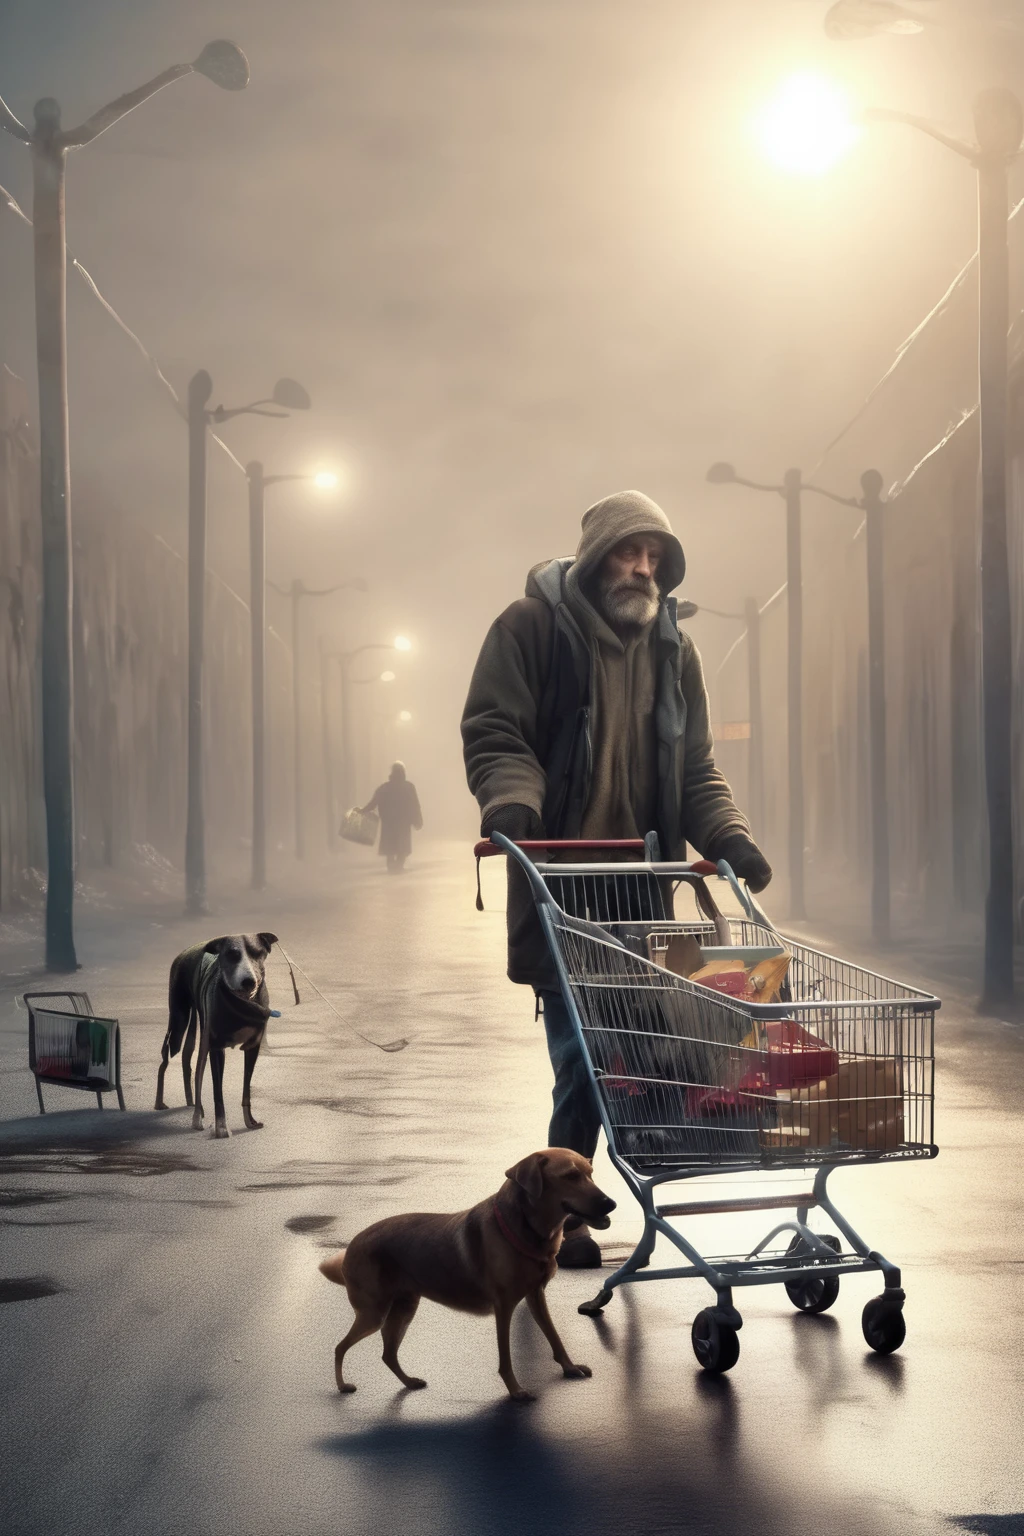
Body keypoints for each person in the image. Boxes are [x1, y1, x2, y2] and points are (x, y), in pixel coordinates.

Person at [461, 490, 771, 1267]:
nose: (643, 569)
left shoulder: (675, 652)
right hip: (557, 886)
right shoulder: (529, 629)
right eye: (630, 554)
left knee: (642, 1053)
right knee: (584, 1060)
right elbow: (496, 729)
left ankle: (640, 1196)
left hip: (641, 889)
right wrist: (512, 804)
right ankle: (554, 1223)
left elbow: (696, 765)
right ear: (598, 558)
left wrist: (730, 836)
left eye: (655, 558)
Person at [359, 762, 422, 873]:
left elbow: (373, 803)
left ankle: (392, 869)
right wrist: (417, 820)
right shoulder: (408, 787)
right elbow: (415, 805)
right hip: (403, 824)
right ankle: (398, 868)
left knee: (390, 848)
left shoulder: (384, 788)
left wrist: (363, 810)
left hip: (389, 824)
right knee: (402, 848)